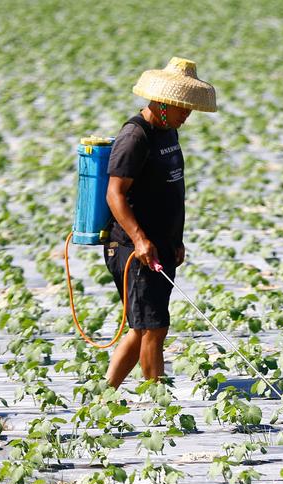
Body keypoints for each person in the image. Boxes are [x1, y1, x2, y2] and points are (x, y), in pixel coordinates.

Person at [103, 57, 217, 389]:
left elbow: (171, 188)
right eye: (184, 107)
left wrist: (175, 241)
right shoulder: (135, 137)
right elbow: (115, 194)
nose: (188, 114)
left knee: (143, 326)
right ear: (164, 102)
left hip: (161, 244)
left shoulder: (169, 133)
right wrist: (140, 240)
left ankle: (105, 392)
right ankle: (158, 400)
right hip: (132, 248)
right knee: (154, 326)